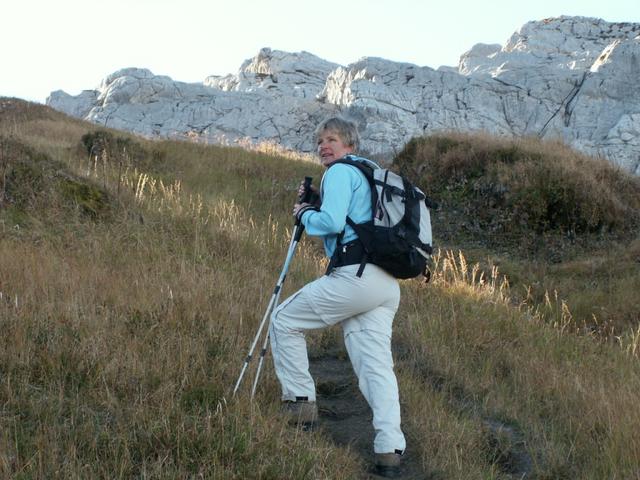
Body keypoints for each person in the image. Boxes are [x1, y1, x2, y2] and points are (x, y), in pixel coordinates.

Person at [269, 116, 406, 477]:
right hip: (385, 282)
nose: (323, 146)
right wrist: (320, 204)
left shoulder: (340, 172)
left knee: (283, 320)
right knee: (376, 367)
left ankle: (300, 408)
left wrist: (305, 213)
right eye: (319, 142)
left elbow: (330, 223)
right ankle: (389, 451)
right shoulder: (370, 172)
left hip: (355, 276)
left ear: (349, 144)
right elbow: (353, 217)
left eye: (331, 139)